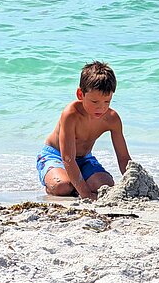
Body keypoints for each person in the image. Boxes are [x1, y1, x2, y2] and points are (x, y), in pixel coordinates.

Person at [36, 61, 131, 201]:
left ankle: (76, 181)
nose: (101, 108)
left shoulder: (112, 119)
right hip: (56, 156)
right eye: (94, 102)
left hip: (84, 159)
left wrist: (133, 183)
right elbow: (67, 158)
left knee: (106, 185)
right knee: (62, 186)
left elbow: (123, 158)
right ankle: (61, 181)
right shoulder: (71, 114)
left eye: (107, 102)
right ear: (80, 94)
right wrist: (86, 194)